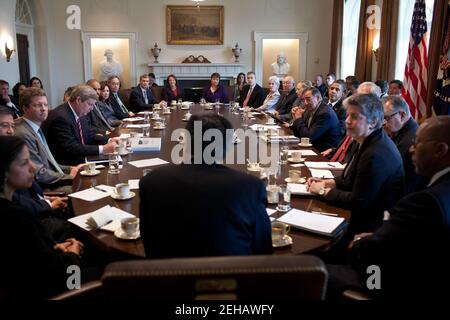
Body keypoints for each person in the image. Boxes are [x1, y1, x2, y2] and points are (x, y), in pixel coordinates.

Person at [327, 116, 450, 299]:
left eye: (417, 142)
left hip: (388, 282)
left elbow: (374, 251)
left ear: (440, 149)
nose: (411, 149)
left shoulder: (426, 202)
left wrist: (363, 242)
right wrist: (378, 237)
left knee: (312, 269)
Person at [140, 113, 272, 258]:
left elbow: (148, 242)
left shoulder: (151, 181)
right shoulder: (251, 187)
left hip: (166, 277)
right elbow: (263, 250)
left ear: (187, 142)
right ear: (227, 146)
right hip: (234, 276)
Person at [307, 94, 404, 262]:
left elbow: (358, 201)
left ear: (373, 122)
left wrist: (323, 190)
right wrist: (326, 182)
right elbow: (351, 179)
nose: (347, 121)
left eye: (355, 117)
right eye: (347, 115)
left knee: (312, 249)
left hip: (367, 229)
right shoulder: (368, 140)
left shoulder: (375, 154)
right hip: (358, 216)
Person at [0, 136, 85, 298]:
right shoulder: (16, 218)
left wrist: (54, 248)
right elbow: (60, 275)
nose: (33, 168)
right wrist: (73, 255)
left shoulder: (11, 208)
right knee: (111, 270)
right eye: (24, 163)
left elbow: (34, 258)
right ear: (3, 173)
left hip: (48, 270)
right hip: (64, 287)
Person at [14, 87, 82, 189]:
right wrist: (70, 176)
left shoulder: (35, 128)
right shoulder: (23, 134)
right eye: (38, 105)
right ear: (25, 108)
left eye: (45, 104)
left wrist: (71, 168)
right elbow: (39, 173)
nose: (44, 108)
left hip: (53, 179)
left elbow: (49, 163)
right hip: (45, 188)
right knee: (85, 186)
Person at [42, 85, 119, 165]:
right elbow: (72, 147)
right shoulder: (61, 117)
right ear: (78, 100)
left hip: (84, 159)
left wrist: (110, 140)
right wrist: (103, 149)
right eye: (90, 104)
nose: (92, 108)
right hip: (71, 165)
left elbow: (90, 136)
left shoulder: (80, 113)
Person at [382, 95, 427, 193]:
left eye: (386, 118)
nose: (383, 123)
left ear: (402, 115)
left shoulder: (411, 141)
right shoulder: (399, 132)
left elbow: (405, 184)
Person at [290, 87, 341, 152]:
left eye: (308, 99)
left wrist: (299, 119)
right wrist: (295, 117)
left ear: (318, 98)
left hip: (324, 152)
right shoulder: (309, 110)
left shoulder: (325, 114)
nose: (305, 103)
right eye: (303, 100)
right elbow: (300, 133)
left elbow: (308, 138)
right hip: (312, 148)